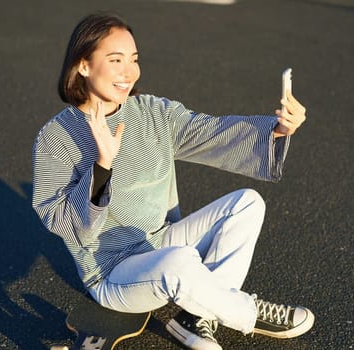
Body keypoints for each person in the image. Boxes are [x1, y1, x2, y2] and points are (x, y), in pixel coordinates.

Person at [32, 12, 314, 350]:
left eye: (134, 59)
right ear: (83, 66)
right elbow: (63, 222)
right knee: (180, 263)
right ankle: (247, 314)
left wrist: (278, 129)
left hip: (160, 242)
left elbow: (211, 132)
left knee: (247, 203)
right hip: (113, 273)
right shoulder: (56, 137)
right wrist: (102, 165)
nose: (129, 72)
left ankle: (196, 319)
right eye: (116, 59)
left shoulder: (151, 112)